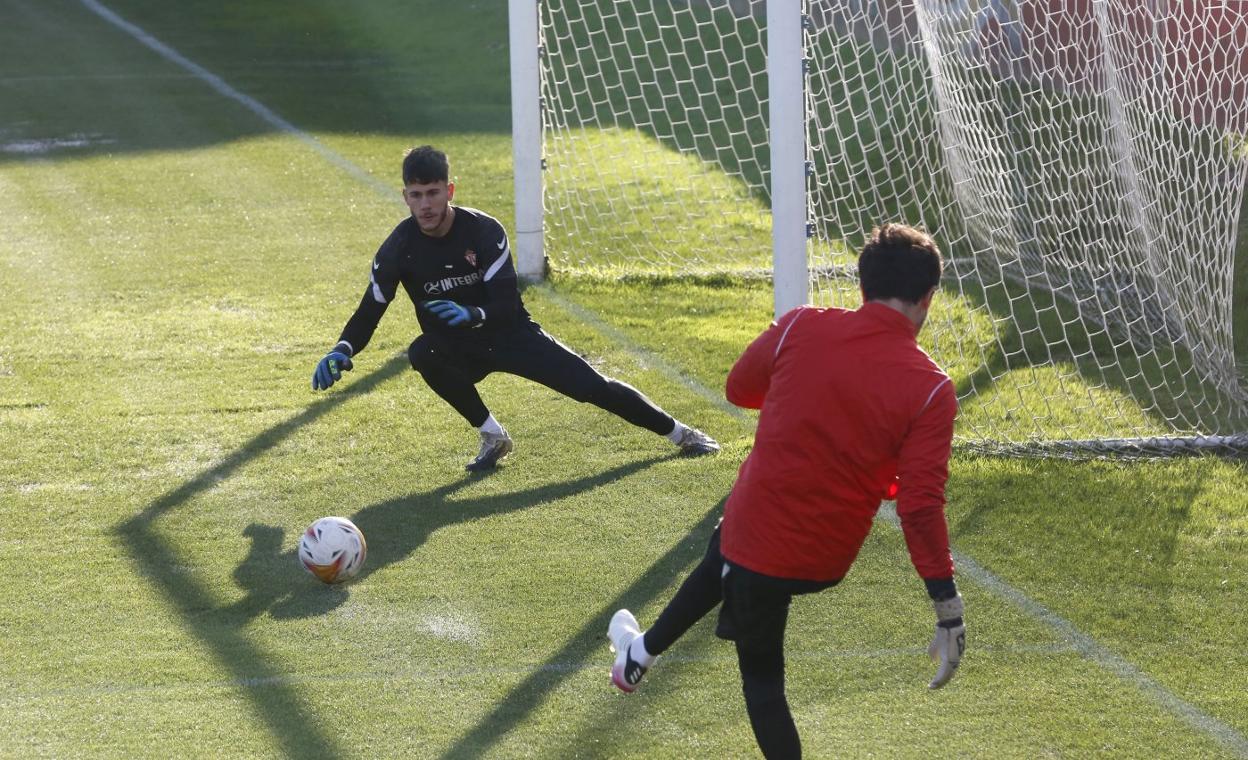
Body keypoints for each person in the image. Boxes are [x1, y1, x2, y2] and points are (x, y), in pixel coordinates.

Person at [606, 223, 965, 759]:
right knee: (721, 547)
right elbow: (917, 505)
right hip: (826, 558)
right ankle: (638, 656)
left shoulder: (802, 326)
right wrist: (948, 608)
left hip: (761, 547)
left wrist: (805, 394)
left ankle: (639, 656)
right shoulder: (933, 388)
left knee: (764, 686)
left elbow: (739, 388)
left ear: (861, 285)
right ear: (928, 299)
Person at [311, 145, 719, 471]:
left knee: (592, 387)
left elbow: (506, 303)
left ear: (449, 191)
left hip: (510, 335)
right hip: (456, 347)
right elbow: (371, 309)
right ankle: (493, 436)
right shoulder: (398, 248)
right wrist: (341, 350)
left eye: (433, 192)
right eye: (416, 196)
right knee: (422, 352)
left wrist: (475, 315)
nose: (425, 205)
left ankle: (681, 434)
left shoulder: (484, 232)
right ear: (405, 197)